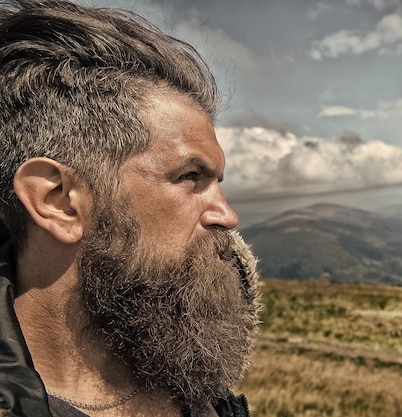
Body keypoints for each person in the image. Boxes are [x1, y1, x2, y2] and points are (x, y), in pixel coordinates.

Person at [0, 0, 262, 416]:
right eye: (190, 177)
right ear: (58, 201)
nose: (226, 216)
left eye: (217, 182)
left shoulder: (194, 381)